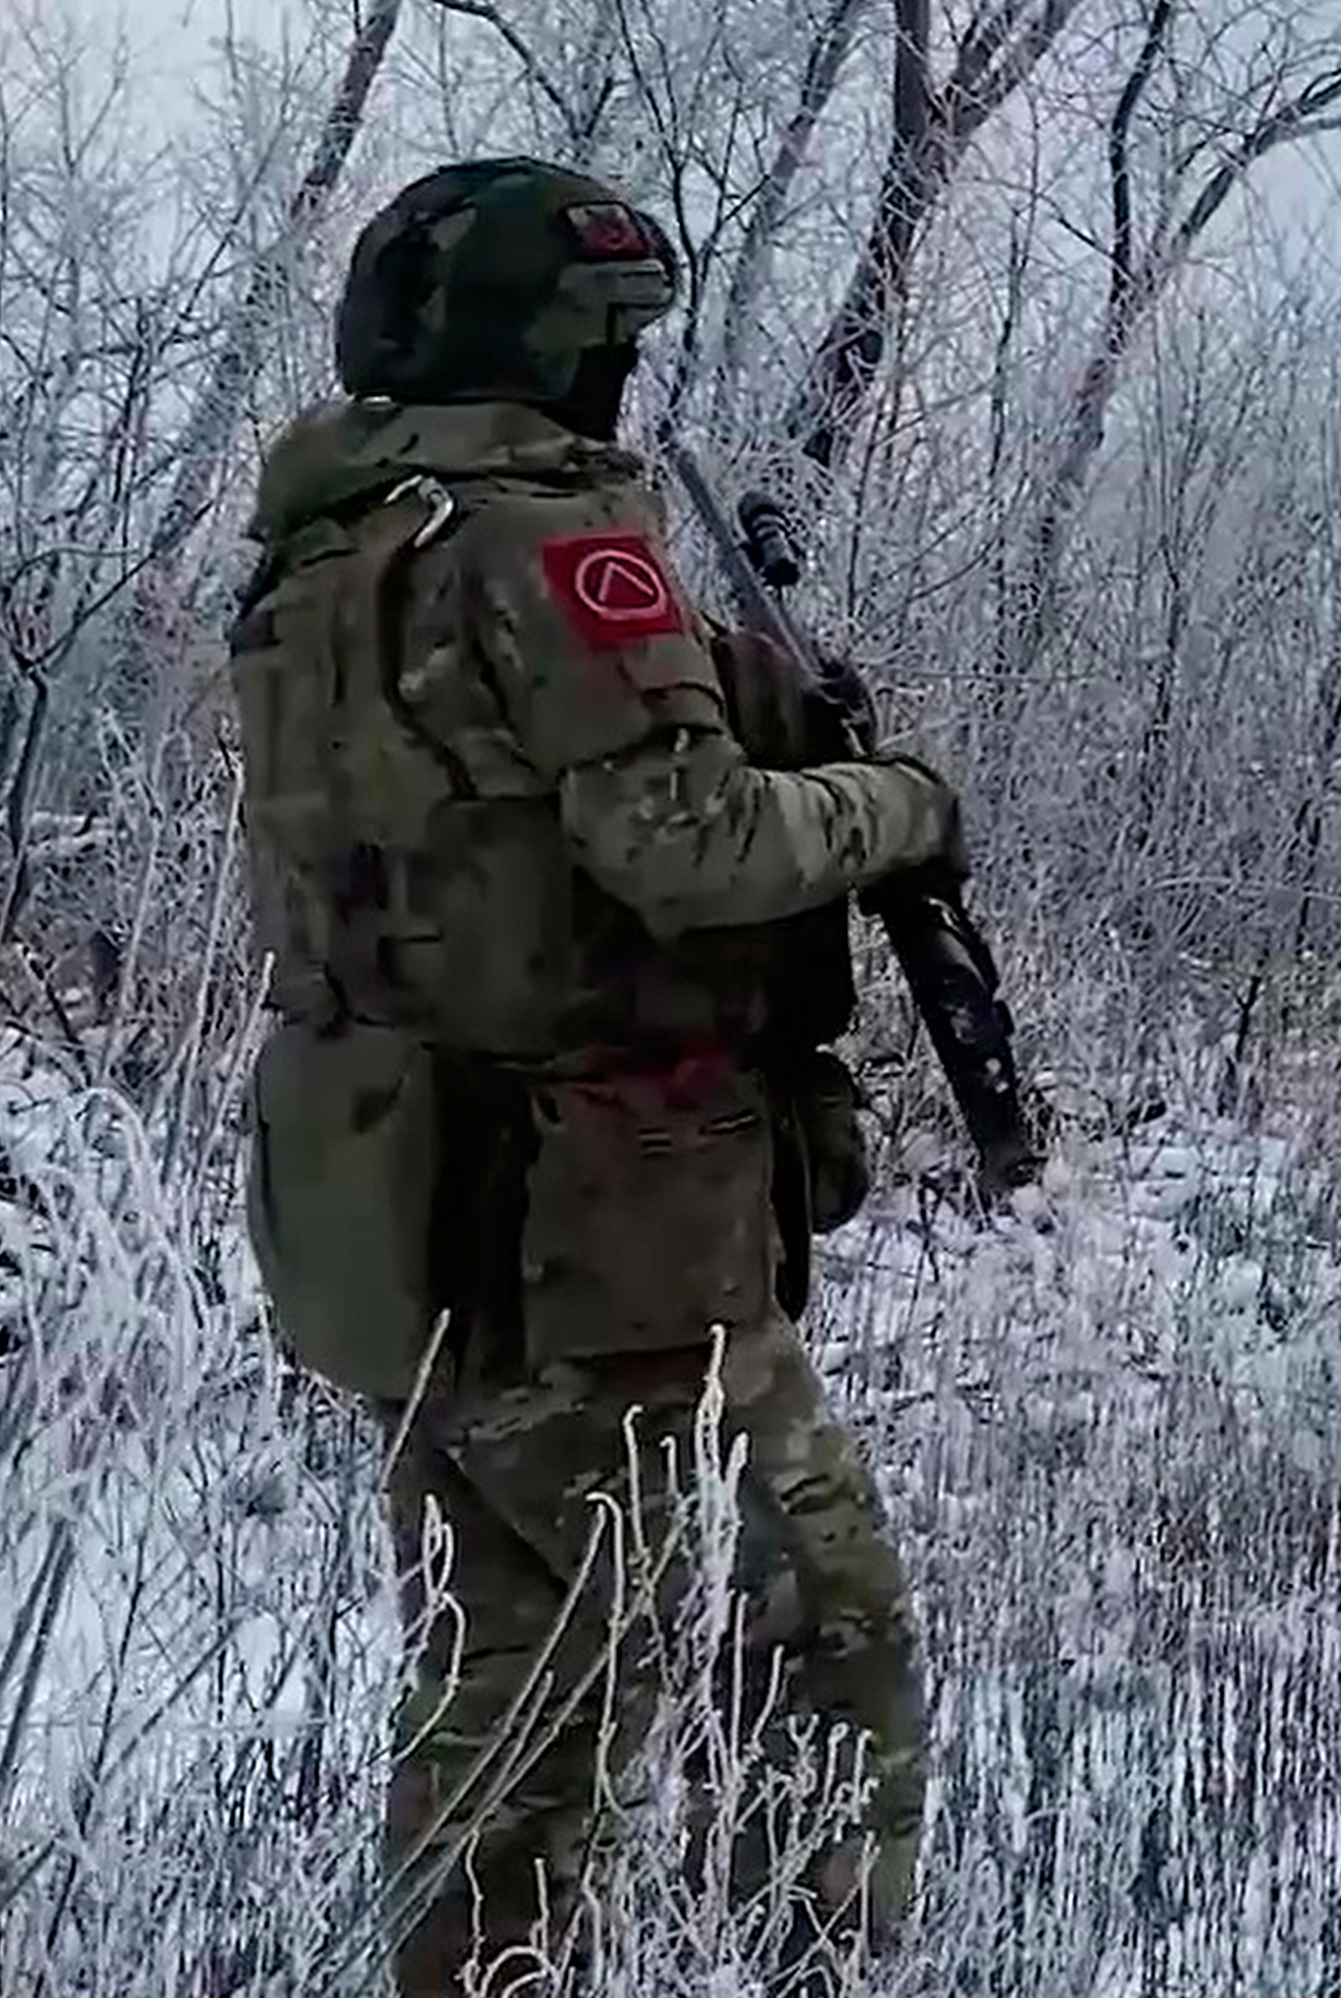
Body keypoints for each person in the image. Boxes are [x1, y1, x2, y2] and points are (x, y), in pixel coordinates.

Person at [223, 156, 964, 1994]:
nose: (622, 377)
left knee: (539, 1662)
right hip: (600, 1227)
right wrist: (895, 806)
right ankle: (797, 1963)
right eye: (610, 340)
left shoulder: (325, 553)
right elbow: (687, 843)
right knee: (768, 1639)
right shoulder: (544, 540)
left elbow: (468, 848)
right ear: (555, 346)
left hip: (403, 1197)